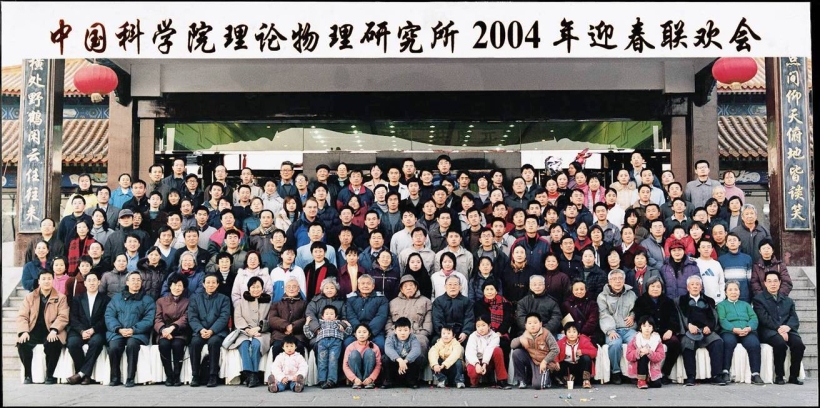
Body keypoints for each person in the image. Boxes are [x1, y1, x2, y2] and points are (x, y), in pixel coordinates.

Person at [16, 269, 69, 384]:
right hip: (33, 330)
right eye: (43, 279)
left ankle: (50, 375)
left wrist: (54, 330)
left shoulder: (61, 297)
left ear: (53, 280)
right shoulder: (30, 297)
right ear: (39, 281)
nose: (46, 281)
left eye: (49, 278)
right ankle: (28, 375)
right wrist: (24, 331)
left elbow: (63, 316)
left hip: (51, 330)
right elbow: (22, 316)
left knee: (53, 343)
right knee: (22, 343)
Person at [753, 270, 805, 385]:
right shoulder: (758, 299)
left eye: (775, 281)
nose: (773, 284)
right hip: (768, 330)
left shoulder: (788, 300)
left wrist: (788, 327)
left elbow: (794, 317)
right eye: (769, 281)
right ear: (765, 283)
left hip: (787, 329)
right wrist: (779, 329)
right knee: (780, 344)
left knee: (799, 345)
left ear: (780, 282)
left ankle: (794, 376)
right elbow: (764, 318)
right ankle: (779, 375)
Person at [105, 270, 155, 387]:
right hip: (118, 332)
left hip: (137, 333)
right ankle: (115, 377)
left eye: (138, 280)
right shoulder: (117, 298)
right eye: (133, 280)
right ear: (127, 282)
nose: (136, 282)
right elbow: (109, 315)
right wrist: (118, 329)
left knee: (132, 345)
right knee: (113, 347)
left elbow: (149, 319)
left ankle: (130, 378)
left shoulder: (147, 300)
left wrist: (133, 329)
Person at [674, 275, 727, 386]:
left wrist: (709, 327)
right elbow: (678, 317)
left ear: (701, 287)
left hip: (706, 331)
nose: (695, 286)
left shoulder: (709, 300)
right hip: (689, 331)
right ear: (688, 287)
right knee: (686, 343)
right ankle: (691, 377)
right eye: (692, 284)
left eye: (697, 284)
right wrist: (688, 325)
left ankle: (716, 376)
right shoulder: (680, 301)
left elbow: (714, 317)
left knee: (717, 342)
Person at [226, 276, 272, 388]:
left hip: (262, 332)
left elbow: (271, 319)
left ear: (262, 288)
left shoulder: (269, 303)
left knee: (256, 344)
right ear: (249, 288)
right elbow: (238, 317)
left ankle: (253, 374)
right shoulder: (242, 302)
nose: (255, 289)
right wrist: (247, 329)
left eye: (258, 287)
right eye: (253, 287)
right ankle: (251, 374)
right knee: (243, 344)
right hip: (244, 331)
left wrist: (259, 328)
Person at [633, 276, 680, 384]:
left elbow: (674, 318)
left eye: (658, 286)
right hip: (648, 332)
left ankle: (665, 373)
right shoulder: (640, 301)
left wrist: (670, 330)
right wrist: (650, 331)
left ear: (662, 288)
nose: (655, 289)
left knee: (675, 343)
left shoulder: (668, 301)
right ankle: (644, 375)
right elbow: (640, 318)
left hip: (664, 332)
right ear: (647, 287)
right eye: (652, 286)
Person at [188, 272, 232, 387]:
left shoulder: (224, 299)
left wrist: (212, 331)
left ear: (217, 284)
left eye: (213, 282)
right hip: (200, 331)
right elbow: (192, 317)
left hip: (218, 332)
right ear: (203, 284)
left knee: (214, 342)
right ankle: (195, 375)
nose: (210, 285)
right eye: (208, 282)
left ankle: (213, 376)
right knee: (195, 343)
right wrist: (200, 329)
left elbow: (224, 317)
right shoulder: (195, 299)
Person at [65, 271, 109, 385]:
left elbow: (105, 318)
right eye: (89, 281)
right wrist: (81, 331)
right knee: (72, 343)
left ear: (99, 282)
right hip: (79, 330)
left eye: (94, 280)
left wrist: (93, 329)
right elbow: (73, 318)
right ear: (85, 283)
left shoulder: (105, 299)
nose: (92, 283)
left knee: (96, 342)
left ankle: (80, 374)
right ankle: (85, 375)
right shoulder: (77, 299)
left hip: (97, 330)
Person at [717, 280, 764, 385]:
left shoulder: (746, 305)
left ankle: (755, 374)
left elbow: (754, 318)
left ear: (739, 292)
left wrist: (749, 328)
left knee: (754, 344)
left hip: (746, 330)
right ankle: (725, 372)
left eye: (736, 289)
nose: (733, 292)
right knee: (728, 342)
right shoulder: (721, 305)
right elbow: (722, 320)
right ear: (725, 292)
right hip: (729, 331)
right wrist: (733, 329)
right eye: (730, 290)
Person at [598, 268, 638, 384]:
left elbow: (636, 309)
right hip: (612, 329)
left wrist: (633, 316)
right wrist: (610, 330)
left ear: (624, 280)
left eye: (620, 278)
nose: (617, 281)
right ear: (609, 281)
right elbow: (604, 314)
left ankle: (634, 372)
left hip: (629, 329)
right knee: (615, 344)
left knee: (637, 342)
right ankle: (616, 371)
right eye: (614, 279)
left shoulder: (631, 294)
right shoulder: (602, 296)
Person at [153, 273, 190, 387]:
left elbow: (185, 318)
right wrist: (163, 330)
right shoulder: (160, 301)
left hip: (179, 332)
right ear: (170, 286)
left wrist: (172, 328)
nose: (177, 288)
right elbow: (157, 318)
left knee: (177, 345)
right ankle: (169, 375)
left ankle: (177, 375)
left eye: (179, 285)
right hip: (164, 332)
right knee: (164, 345)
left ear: (183, 287)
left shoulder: (187, 302)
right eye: (174, 285)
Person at [304, 304, 351, 389]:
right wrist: (307, 324)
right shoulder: (319, 324)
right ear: (322, 316)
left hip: (335, 342)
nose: (329, 316)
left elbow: (347, 333)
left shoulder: (338, 324)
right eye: (327, 314)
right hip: (322, 342)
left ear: (336, 317)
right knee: (322, 361)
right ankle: (322, 380)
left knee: (333, 361)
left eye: (332, 314)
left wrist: (348, 324)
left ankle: (331, 381)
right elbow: (309, 335)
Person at [511, 313, 559, 390]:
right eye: (529, 323)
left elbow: (555, 349)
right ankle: (521, 380)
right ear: (526, 325)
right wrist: (520, 339)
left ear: (540, 324)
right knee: (516, 353)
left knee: (537, 385)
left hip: (542, 362)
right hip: (531, 359)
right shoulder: (525, 334)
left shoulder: (546, 334)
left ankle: (548, 379)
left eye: (535, 323)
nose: (532, 325)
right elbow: (512, 345)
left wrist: (545, 361)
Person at [385, 275, 433, 352]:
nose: (408, 288)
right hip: (397, 333)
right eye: (405, 286)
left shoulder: (426, 301)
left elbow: (428, 323)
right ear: (401, 289)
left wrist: (422, 334)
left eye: (411, 285)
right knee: (390, 342)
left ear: (416, 287)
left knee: (422, 342)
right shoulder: (393, 303)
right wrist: (391, 332)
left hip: (417, 334)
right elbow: (388, 321)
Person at [344, 274, 389, 352]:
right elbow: (351, 316)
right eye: (363, 283)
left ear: (373, 286)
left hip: (375, 331)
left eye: (368, 283)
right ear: (358, 286)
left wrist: (368, 332)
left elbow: (381, 316)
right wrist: (359, 331)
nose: (365, 286)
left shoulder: (381, 299)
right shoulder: (351, 299)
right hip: (356, 331)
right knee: (347, 344)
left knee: (380, 345)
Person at [465, 315, 511, 389]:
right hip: (475, 361)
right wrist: (477, 364)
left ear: (489, 326)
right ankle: (474, 382)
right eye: (478, 326)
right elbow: (470, 352)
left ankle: (502, 380)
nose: (481, 328)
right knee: (473, 373)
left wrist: (484, 364)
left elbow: (490, 349)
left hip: (488, 361)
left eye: (483, 325)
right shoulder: (473, 336)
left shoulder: (494, 336)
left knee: (497, 350)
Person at [474, 278, 514, 362]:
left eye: (492, 289)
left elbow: (507, 320)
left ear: (496, 291)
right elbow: (477, 321)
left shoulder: (505, 303)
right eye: (487, 289)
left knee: (503, 344)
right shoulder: (478, 304)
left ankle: (502, 369)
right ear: (483, 291)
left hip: (500, 333)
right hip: (483, 333)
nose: (489, 292)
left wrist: (499, 332)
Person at [268, 277, 308, 360]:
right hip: (280, 335)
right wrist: (286, 326)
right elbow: (272, 319)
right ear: (285, 289)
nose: (291, 289)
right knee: (277, 347)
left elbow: (306, 318)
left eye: (294, 286)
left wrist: (293, 327)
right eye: (289, 286)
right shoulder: (277, 304)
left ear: (298, 289)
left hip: (297, 335)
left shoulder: (304, 304)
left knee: (299, 347)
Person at [431, 274, 475, 345]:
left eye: (455, 284)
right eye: (450, 284)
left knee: (469, 341)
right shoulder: (438, 301)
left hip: (461, 333)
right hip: (444, 333)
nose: (452, 287)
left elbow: (469, 319)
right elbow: (437, 320)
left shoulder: (466, 301)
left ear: (460, 287)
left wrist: (465, 332)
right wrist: (445, 333)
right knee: (435, 341)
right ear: (445, 287)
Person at [382, 316, 424, 389]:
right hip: (395, 364)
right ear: (395, 331)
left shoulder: (413, 338)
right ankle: (389, 381)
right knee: (385, 358)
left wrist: (405, 361)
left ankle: (412, 381)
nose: (402, 333)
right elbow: (388, 349)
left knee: (419, 357)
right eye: (400, 330)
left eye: (405, 330)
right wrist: (399, 360)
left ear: (410, 330)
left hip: (407, 365)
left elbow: (416, 350)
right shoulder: (390, 338)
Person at [625, 316, 666, 389]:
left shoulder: (656, 340)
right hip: (638, 371)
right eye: (644, 326)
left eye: (649, 326)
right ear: (640, 327)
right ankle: (641, 380)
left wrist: (649, 352)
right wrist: (639, 352)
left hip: (652, 370)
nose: (647, 328)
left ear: (653, 328)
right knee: (643, 356)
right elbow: (628, 356)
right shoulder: (635, 339)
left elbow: (661, 355)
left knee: (657, 384)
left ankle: (647, 379)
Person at [552, 321, 597, 389]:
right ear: (565, 334)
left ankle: (586, 380)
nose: (572, 334)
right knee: (558, 365)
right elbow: (554, 352)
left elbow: (594, 352)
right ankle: (566, 380)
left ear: (578, 333)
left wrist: (583, 351)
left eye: (574, 332)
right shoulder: (560, 342)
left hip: (579, 366)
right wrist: (556, 361)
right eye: (569, 332)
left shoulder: (584, 341)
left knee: (586, 358)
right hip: (567, 366)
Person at [561, 280, 602, 345]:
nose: (579, 292)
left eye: (582, 289)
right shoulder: (566, 304)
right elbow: (565, 321)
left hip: (588, 334)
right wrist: (572, 333)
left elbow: (592, 321)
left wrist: (581, 333)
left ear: (585, 290)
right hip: (571, 334)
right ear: (572, 291)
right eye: (576, 289)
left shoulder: (592, 304)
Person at [343, 324, 382, 389]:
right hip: (356, 377)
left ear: (369, 334)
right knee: (354, 353)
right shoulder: (350, 347)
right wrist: (354, 378)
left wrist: (371, 378)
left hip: (369, 376)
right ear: (355, 334)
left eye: (364, 332)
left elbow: (378, 365)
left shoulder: (374, 347)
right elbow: (345, 365)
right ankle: (357, 382)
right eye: (359, 332)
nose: (361, 334)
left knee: (370, 353)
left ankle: (368, 382)